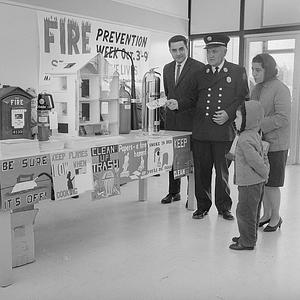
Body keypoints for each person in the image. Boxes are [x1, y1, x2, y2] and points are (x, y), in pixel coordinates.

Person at [166, 33, 249, 220]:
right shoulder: (200, 73)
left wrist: (228, 113)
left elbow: (243, 98)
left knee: (222, 173)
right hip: (201, 131)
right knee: (202, 171)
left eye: (215, 51)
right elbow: (192, 99)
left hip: (223, 131)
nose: (210, 55)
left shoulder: (236, 71)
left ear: (224, 51)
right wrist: (178, 104)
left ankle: (224, 207)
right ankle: (202, 206)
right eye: (208, 52)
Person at [160, 35, 204, 204]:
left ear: (187, 48)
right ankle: (173, 192)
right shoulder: (167, 69)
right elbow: (170, 92)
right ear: (170, 50)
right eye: (174, 50)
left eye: (181, 49)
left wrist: (179, 104)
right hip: (172, 122)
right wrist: (169, 102)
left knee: (191, 160)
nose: (178, 53)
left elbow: (199, 98)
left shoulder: (199, 68)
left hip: (191, 122)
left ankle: (190, 195)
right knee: (173, 159)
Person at [250, 53, 291, 232]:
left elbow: (282, 117)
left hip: (275, 144)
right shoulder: (256, 88)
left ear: (268, 69)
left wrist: (259, 126)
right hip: (258, 143)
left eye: (258, 70)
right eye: (252, 70)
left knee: (273, 183)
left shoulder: (280, 88)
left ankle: (275, 217)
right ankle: (266, 214)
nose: (254, 73)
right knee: (263, 182)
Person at [229, 101, 269, 250]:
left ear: (248, 120)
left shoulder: (245, 139)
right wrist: (266, 173)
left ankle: (247, 242)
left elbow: (255, 161)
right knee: (253, 211)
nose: (234, 121)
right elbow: (264, 155)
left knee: (244, 212)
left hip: (249, 183)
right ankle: (249, 236)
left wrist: (264, 171)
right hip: (256, 181)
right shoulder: (254, 134)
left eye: (238, 118)